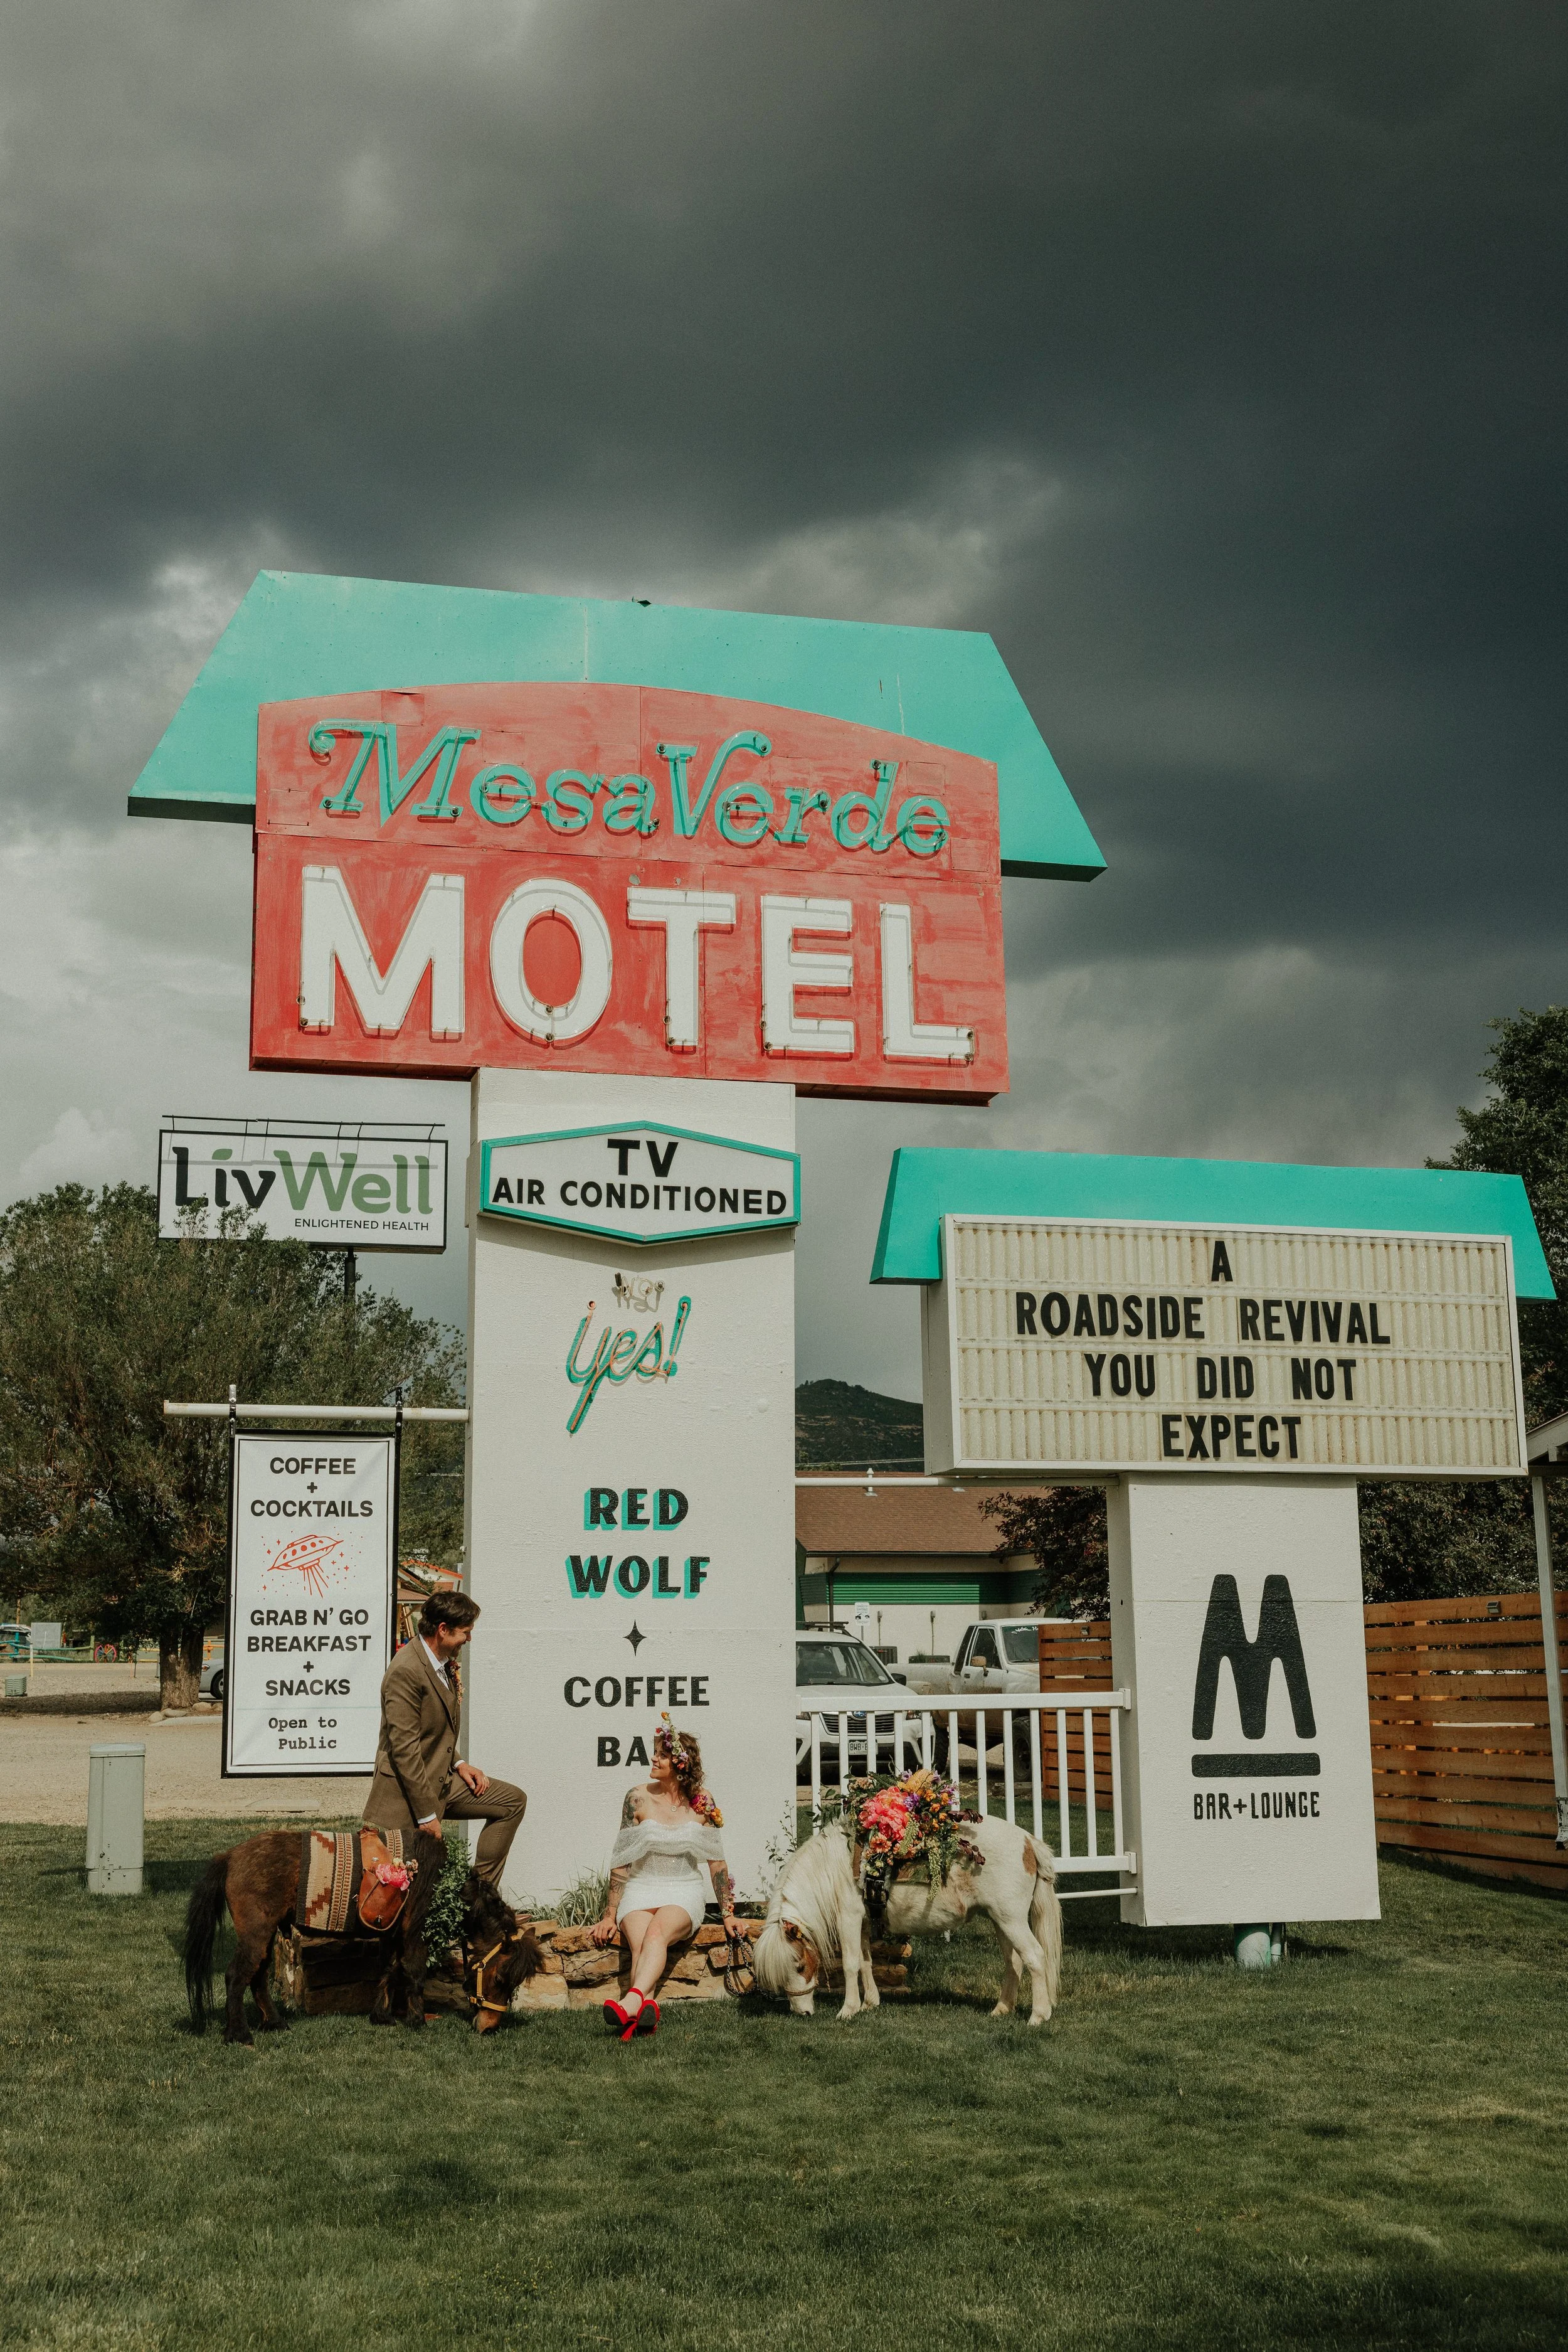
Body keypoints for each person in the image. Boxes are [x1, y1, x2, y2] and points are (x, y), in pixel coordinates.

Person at [363, 1592, 526, 1889]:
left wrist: (460, 1763)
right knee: (410, 1889)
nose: (470, 1640)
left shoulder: (439, 1660)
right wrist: (427, 1816)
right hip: (407, 1792)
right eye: (466, 1633)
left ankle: (478, 1897)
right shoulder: (406, 1671)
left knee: (511, 1802)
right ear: (443, 1630)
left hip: (442, 1778)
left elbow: (435, 1731)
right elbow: (405, 1749)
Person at [590, 1716, 738, 2040]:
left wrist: (728, 1914)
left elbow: (716, 1864)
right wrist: (609, 1914)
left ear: (680, 1764)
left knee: (656, 1934)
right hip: (641, 1887)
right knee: (643, 1942)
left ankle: (629, 2001)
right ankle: (644, 2013)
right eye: (654, 1753)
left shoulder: (703, 1802)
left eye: (661, 1755)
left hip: (682, 1891)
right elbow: (622, 1860)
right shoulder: (637, 1798)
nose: (653, 1759)